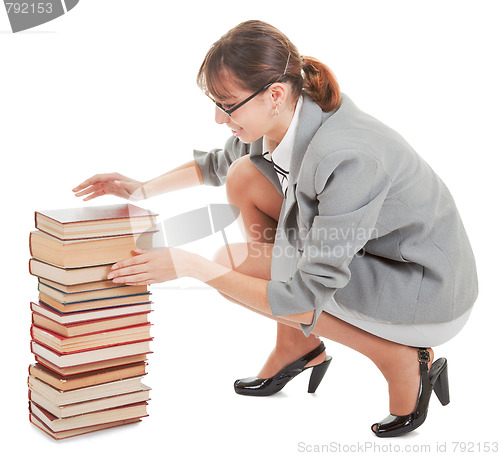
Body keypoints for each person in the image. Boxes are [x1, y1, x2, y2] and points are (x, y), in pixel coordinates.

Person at [72, 20, 478, 437]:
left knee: (235, 270)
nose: (218, 117)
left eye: (227, 105)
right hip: (376, 256)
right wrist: (142, 188)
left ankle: (401, 360)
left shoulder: (348, 156)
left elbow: (306, 293)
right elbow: (219, 162)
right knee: (245, 177)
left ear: (275, 94)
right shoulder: (290, 116)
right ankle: (296, 345)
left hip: (424, 290)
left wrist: (192, 267)